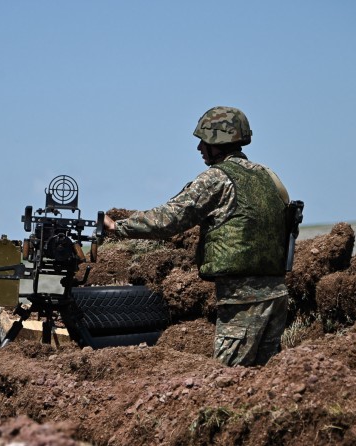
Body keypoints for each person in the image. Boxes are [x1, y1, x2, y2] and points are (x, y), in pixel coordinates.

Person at [103, 106, 291, 367]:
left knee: (227, 379)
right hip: (277, 293)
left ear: (217, 142)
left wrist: (117, 227)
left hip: (243, 299)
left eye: (204, 141)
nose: (199, 148)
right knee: (265, 379)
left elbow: (170, 218)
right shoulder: (266, 175)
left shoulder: (217, 179)